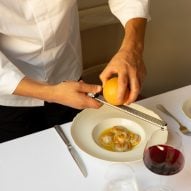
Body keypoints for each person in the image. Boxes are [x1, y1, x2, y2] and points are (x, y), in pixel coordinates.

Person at [0, 0, 150, 142]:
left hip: (67, 71)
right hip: (11, 90)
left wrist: (133, 48)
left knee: (78, 146)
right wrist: (51, 93)